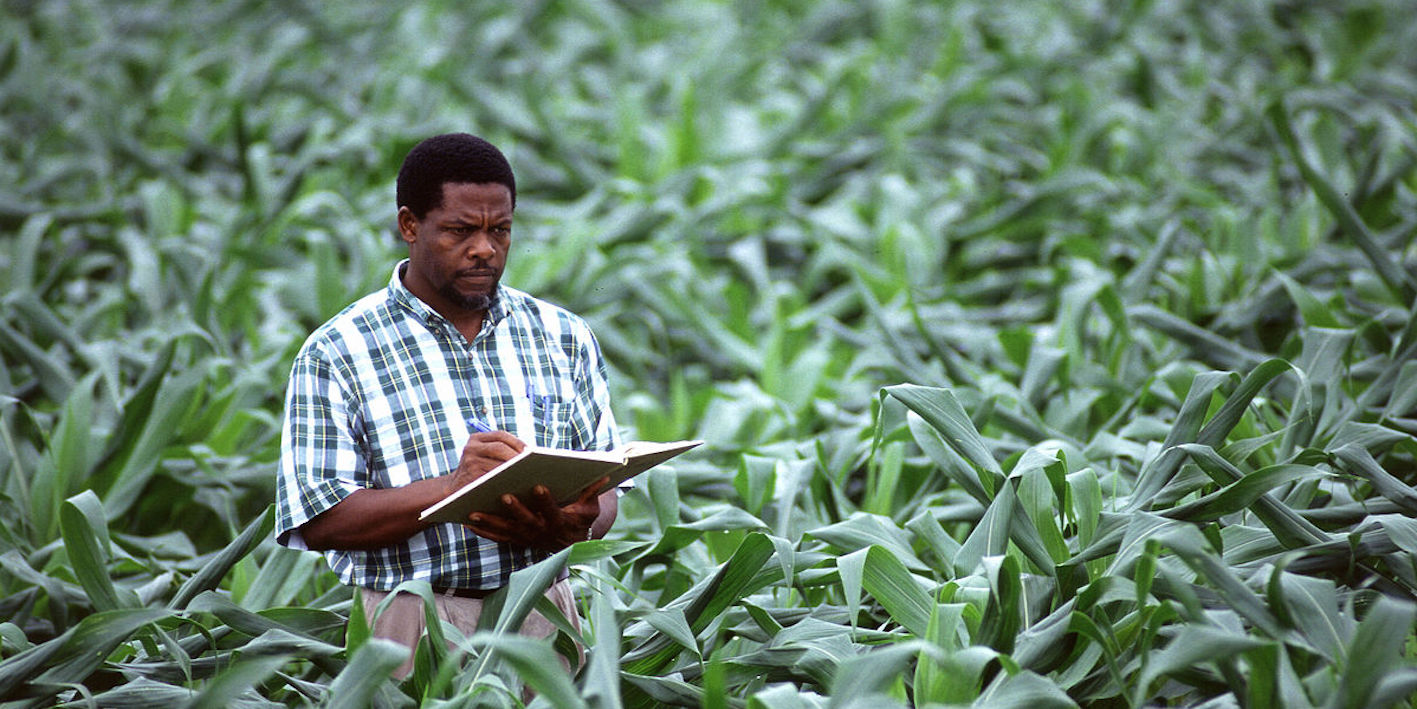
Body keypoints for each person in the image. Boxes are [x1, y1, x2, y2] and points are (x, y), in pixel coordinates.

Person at [274, 132, 620, 677]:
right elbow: (321, 518)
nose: (485, 248)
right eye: (461, 230)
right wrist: (455, 489)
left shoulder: (561, 334)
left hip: (542, 612)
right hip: (408, 623)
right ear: (410, 225)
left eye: (499, 230)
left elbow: (605, 495)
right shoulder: (339, 350)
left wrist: (569, 521)